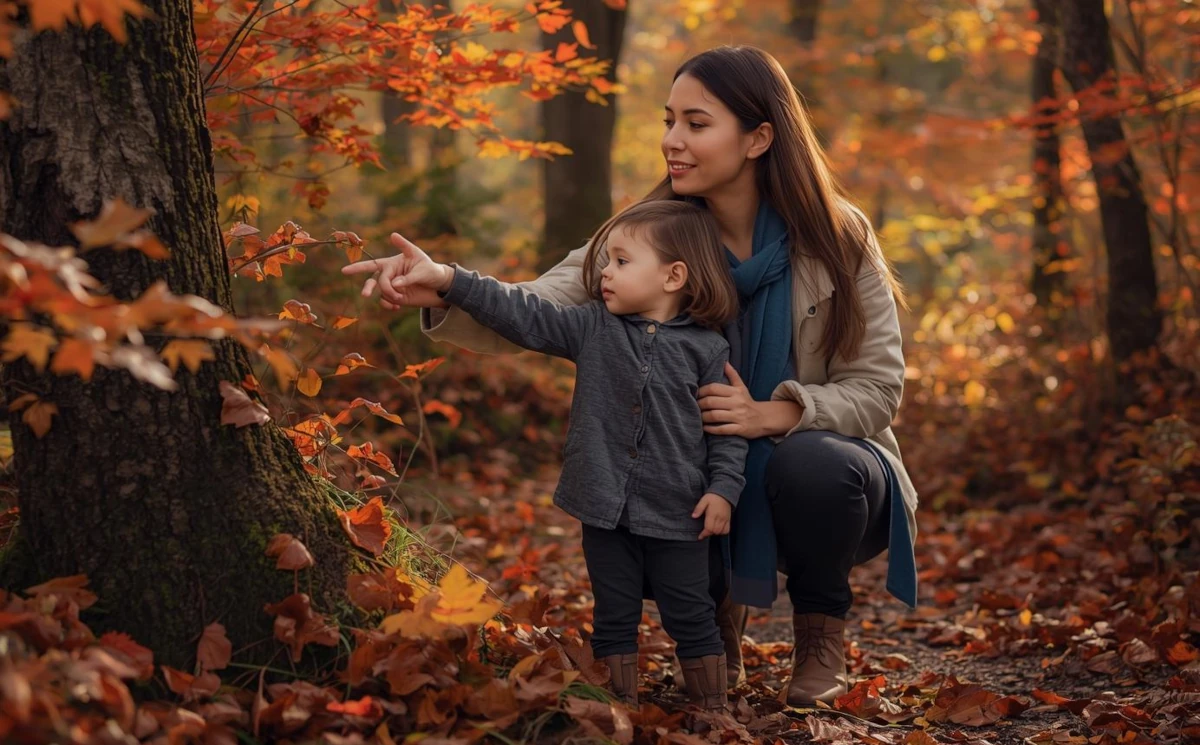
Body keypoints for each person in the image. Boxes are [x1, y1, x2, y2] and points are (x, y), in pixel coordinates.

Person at [345, 45, 919, 707]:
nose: (673, 141)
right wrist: (448, 287)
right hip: (688, 482)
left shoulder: (837, 235)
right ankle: (713, 618)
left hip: (819, 478)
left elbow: (878, 387)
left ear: (759, 137)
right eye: (669, 120)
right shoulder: (650, 233)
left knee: (816, 464)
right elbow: (544, 304)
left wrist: (775, 412)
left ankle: (820, 637)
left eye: (696, 124)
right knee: (657, 464)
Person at [363, 201, 749, 710]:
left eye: (621, 262)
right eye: (607, 261)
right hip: (602, 506)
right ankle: (620, 705)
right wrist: (450, 280)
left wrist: (723, 489)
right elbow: (521, 313)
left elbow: (726, 432)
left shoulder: (708, 350)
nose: (604, 273)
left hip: (680, 510)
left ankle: (714, 710)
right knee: (613, 611)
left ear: (674, 275)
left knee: (691, 612)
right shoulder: (592, 326)